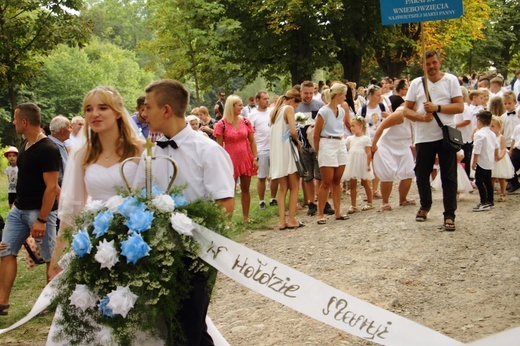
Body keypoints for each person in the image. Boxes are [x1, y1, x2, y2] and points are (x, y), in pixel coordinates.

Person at [134, 79, 234, 346]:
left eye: (149, 107)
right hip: (158, 254)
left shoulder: (208, 150)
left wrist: (192, 237)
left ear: (166, 110)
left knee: (187, 328)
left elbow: (225, 206)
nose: (144, 113)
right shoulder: (150, 151)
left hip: (196, 255)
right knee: (183, 331)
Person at [0, 102, 61, 316]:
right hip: (18, 211)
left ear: (24, 122)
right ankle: (2, 303)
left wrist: (42, 220)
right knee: (6, 250)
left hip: (40, 212)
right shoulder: (25, 144)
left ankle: (49, 302)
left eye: (16, 119)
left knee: (50, 258)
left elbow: (52, 187)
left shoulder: (48, 149)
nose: (14, 122)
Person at [404, 49, 464, 230]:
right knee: (421, 173)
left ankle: (449, 214)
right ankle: (425, 204)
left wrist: (437, 107)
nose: (431, 67)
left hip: (445, 134)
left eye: (434, 63)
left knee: (448, 176)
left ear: (439, 62)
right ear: (423, 65)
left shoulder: (451, 80)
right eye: (427, 64)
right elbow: (406, 110)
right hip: (423, 136)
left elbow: (459, 106)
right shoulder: (417, 83)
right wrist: (420, 117)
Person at [214, 95, 258, 222]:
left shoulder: (246, 121)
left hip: (245, 159)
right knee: (229, 191)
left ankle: (246, 217)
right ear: (231, 106)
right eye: (239, 105)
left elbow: (252, 141)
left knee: (246, 189)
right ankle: (228, 220)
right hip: (230, 161)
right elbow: (219, 146)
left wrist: (255, 158)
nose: (242, 107)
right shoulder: (221, 124)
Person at [372, 107, 426, 211]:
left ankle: (403, 199)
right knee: (388, 173)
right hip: (386, 146)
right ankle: (385, 202)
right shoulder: (400, 115)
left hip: (403, 146)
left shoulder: (416, 120)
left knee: (409, 172)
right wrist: (374, 145)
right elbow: (381, 127)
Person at [312, 83, 349, 224]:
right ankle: (320, 214)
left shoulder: (342, 110)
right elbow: (316, 134)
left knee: (337, 180)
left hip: (339, 143)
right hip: (327, 143)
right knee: (326, 181)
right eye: (344, 95)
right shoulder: (324, 111)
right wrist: (318, 150)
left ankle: (338, 212)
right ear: (338, 96)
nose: (345, 98)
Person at [296, 80, 334, 216]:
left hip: (317, 144)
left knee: (320, 176)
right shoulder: (296, 107)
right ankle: (311, 202)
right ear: (301, 92)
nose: (308, 96)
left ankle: (322, 201)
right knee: (308, 176)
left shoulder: (319, 106)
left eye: (311, 93)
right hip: (303, 146)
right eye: (306, 93)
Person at [269, 89, 304, 229]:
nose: (295, 108)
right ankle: (291, 219)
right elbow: (293, 130)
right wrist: (298, 141)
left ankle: (281, 221)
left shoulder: (274, 111)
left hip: (277, 152)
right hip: (287, 150)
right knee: (294, 186)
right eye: (296, 105)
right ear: (292, 101)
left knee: (282, 188)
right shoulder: (288, 108)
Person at [249, 90, 278, 209]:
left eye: (267, 98)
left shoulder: (271, 112)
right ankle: (261, 201)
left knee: (275, 175)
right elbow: (250, 134)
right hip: (261, 148)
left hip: (273, 147)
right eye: (264, 99)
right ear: (257, 100)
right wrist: (254, 154)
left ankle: (273, 197)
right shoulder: (252, 115)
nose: (267, 101)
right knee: (262, 176)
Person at [343, 116, 374, 215]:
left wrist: (368, 164)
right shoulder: (349, 138)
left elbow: (368, 152)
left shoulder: (366, 139)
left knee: (365, 182)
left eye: (353, 126)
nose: (351, 128)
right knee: (352, 184)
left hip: (362, 162)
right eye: (351, 126)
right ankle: (353, 204)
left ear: (360, 126)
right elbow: (346, 148)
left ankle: (370, 202)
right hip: (353, 162)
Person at [472, 111, 498, 211]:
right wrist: (495, 155)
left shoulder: (479, 134)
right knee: (488, 181)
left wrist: (474, 161)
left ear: (478, 122)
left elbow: (477, 149)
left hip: (482, 161)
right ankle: (490, 201)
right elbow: (496, 146)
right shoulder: (492, 133)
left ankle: (483, 202)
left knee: (479, 181)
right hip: (489, 160)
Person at [490, 116, 514, 202]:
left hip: (500, 158)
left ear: (499, 127)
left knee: (501, 177)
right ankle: (490, 193)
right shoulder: (490, 136)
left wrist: (500, 156)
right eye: (489, 126)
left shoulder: (501, 137)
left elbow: (504, 148)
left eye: (493, 126)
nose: (490, 128)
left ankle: (503, 192)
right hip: (491, 157)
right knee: (491, 177)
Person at [48, 115, 71, 187]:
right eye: (69, 127)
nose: (71, 130)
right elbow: (57, 177)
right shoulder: (51, 147)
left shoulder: (61, 145)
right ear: (62, 131)